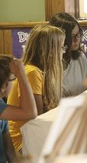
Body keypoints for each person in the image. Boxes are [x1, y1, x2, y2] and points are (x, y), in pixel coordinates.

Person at [8, 25, 65, 153]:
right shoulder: (32, 73)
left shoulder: (37, 71)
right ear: (50, 51)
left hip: (32, 134)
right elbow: (38, 117)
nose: (64, 51)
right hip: (23, 140)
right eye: (61, 47)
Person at [0, 54, 37, 162]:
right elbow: (30, 112)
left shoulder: (2, 104)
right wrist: (21, 75)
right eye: (14, 79)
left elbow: (10, 152)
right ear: (3, 86)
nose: (16, 82)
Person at [49, 12, 87, 97]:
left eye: (78, 35)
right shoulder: (49, 64)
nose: (76, 40)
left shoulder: (80, 57)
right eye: (71, 36)